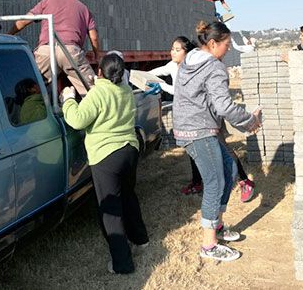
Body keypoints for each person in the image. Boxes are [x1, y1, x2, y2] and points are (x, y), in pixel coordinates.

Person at [173, 20, 261, 262]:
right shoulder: (214, 67)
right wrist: (249, 121)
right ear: (212, 43)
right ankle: (209, 245)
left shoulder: (190, 58)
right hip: (198, 130)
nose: (229, 48)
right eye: (226, 44)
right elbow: (224, 106)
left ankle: (218, 226)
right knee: (214, 181)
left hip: (190, 127)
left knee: (231, 170)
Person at [60, 53, 149, 274]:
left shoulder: (98, 92)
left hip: (106, 156)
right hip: (130, 150)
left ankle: (123, 264)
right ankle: (140, 238)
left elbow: (77, 120)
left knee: (110, 209)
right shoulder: (126, 90)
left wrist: (69, 99)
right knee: (128, 196)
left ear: (99, 72)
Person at [150, 36, 257, 202]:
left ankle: (244, 180)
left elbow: (186, 92)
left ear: (186, 52)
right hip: (191, 119)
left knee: (224, 150)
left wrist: (162, 86)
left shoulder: (194, 67)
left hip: (208, 117)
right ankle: (197, 182)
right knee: (194, 153)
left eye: (177, 50)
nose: (173, 52)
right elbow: (154, 73)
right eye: (172, 49)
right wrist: (138, 78)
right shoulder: (173, 65)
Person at [9, 0, 99, 96]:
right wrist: (97, 56)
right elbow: (94, 37)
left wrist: (7, 35)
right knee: (94, 93)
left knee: (33, 88)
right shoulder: (84, 9)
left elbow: (24, 21)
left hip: (46, 50)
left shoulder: (47, 1)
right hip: (71, 53)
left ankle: (30, 110)